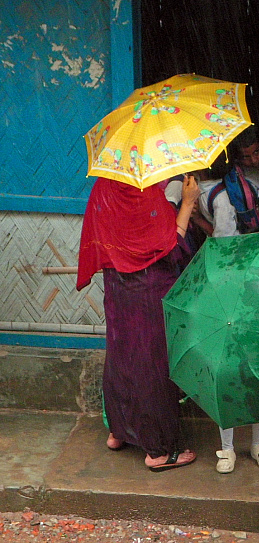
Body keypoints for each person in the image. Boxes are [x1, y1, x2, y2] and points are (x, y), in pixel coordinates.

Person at [76, 174, 200, 472]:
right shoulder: (145, 195)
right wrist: (187, 204)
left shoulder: (104, 186)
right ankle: (159, 450)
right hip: (148, 291)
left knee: (121, 357)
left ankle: (119, 431)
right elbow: (171, 249)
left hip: (118, 287)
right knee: (151, 365)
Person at [187, 152, 259, 475]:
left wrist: (197, 219)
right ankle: (227, 449)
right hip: (231, 285)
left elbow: (225, 246)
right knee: (226, 369)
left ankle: (258, 444)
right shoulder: (223, 188)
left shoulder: (220, 196)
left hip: (239, 281)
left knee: (256, 366)